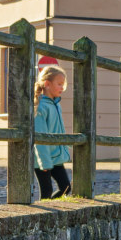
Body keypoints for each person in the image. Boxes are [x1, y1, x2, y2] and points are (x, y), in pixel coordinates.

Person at [33, 66, 71, 199]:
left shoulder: (56, 104)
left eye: (63, 84)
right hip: (42, 159)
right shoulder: (40, 107)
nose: (62, 88)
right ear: (47, 84)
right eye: (59, 84)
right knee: (46, 191)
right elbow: (40, 137)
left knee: (66, 187)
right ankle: (42, 217)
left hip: (56, 157)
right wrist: (44, 162)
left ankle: (54, 211)